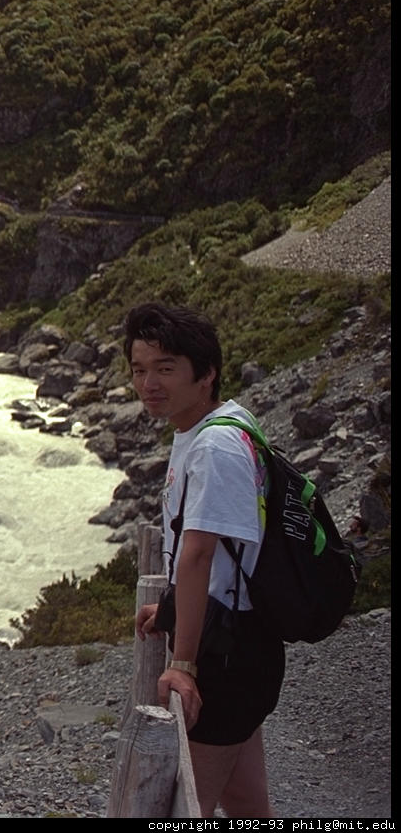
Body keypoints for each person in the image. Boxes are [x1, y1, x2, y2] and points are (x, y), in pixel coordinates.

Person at [126, 302, 284, 817]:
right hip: (239, 641)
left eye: (165, 368)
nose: (149, 383)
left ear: (207, 373)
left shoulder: (216, 447)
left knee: (183, 808)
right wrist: (173, 610)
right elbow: (219, 566)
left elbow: (198, 556)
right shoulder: (212, 426)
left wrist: (183, 665)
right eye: (139, 369)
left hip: (227, 654)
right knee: (245, 803)